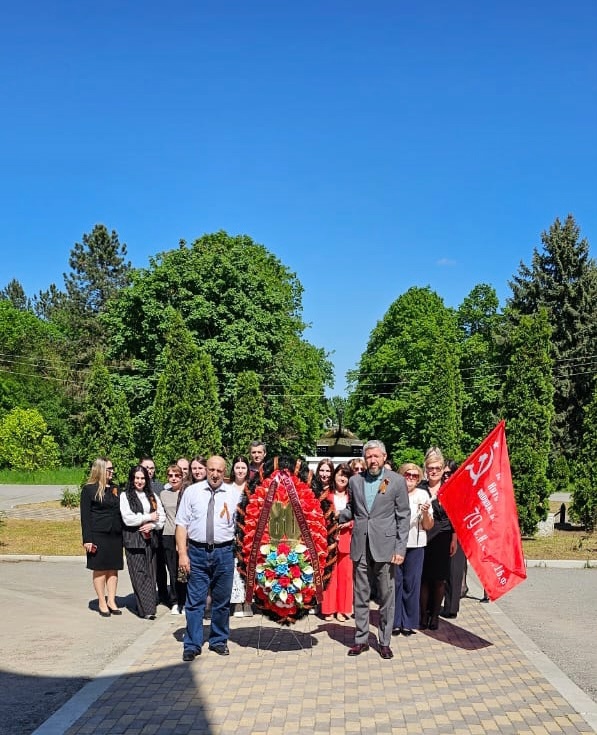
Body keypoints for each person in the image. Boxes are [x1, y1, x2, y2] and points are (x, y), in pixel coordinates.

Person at [339, 440, 410, 659]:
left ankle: (384, 642)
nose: (372, 460)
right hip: (360, 546)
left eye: (376, 456)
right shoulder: (355, 481)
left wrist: (400, 548)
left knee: (386, 597)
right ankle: (361, 640)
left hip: (386, 548)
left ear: (384, 457)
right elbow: (352, 509)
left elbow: (403, 516)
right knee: (360, 596)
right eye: (369, 456)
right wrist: (331, 515)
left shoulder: (396, 481)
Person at [176, 455, 241, 661]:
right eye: (211, 470)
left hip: (224, 552)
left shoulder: (234, 494)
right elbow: (181, 524)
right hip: (197, 552)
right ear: (206, 470)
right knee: (195, 601)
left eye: (219, 471)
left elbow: (241, 525)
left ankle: (218, 640)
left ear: (224, 472)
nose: (214, 474)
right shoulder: (192, 492)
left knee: (222, 600)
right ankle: (192, 644)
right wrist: (182, 554)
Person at [392, 463, 434, 636]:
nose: (410, 478)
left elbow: (428, 525)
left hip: (416, 545)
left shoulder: (423, 494)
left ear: (418, 479)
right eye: (407, 474)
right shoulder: (392, 491)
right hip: (395, 544)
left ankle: (408, 622)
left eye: (415, 476)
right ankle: (395, 621)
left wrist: (425, 513)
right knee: (395, 583)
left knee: (412, 584)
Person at [120, 465, 166, 619]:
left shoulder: (152, 496)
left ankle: (149, 605)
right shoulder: (125, 496)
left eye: (142, 478)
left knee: (151, 573)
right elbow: (128, 518)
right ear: (132, 479)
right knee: (140, 574)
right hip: (134, 541)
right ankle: (147, 610)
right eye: (137, 478)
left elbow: (161, 516)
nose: (139, 481)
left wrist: (153, 525)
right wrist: (148, 517)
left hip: (150, 540)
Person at [419, 448, 457, 631]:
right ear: (426, 469)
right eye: (430, 468)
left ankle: (435, 616)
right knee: (424, 578)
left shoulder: (449, 488)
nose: (433, 471)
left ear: (442, 469)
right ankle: (423, 615)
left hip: (443, 536)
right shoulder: (420, 488)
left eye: (437, 468)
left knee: (439, 579)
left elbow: (455, 516)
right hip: (423, 536)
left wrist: (454, 539)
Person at [80, 458, 123, 617]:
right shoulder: (89, 489)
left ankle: (111, 600)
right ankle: (102, 601)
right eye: (109, 469)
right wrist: (87, 539)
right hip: (98, 534)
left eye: (112, 468)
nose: (112, 471)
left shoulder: (116, 488)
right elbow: (85, 517)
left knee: (113, 568)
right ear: (100, 470)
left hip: (115, 534)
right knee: (100, 569)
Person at [321, 463, 354, 622]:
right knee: (330, 575)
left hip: (347, 540)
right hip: (329, 540)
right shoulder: (326, 495)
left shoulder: (352, 496)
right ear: (334, 476)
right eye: (340, 474)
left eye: (346, 476)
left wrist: (349, 524)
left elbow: (360, 516)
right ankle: (328, 609)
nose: (343, 478)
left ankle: (342, 609)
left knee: (345, 576)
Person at [160, 464, 189, 615]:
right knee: (172, 570)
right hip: (168, 534)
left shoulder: (187, 492)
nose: (174, 478)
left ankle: (185, 601)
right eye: (170, 475)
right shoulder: (163, 494)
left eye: (177, 475)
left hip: (183, 535)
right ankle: (175, 601)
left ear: (182, 477)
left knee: (183, 571)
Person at [140, 455, 168, 607]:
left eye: (152, 468)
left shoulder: (159, 487)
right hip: (141, 532)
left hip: (159, 532)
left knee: (160, 566)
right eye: (146, 468)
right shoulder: (136, 486)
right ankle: (148, 596)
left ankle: (163, 594)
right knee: (146, 566)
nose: (149, 471)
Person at [441, 459, 467, 619]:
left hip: (457, 535)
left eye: (449, 473)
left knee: (454, 573)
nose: (446, 476)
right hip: (442, 535)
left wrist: (454, 537)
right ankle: (446, 605)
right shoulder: (441, 488)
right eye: (444, 473)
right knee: (444, 573)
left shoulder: (459, 490)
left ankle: (451, 608)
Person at [228, 456, 252, 617]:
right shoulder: (227, 488)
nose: (240, 470)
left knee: (249, 566)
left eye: (243, 467)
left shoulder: (253, 487)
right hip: (232, 532)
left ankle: (248, 602)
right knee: (235, 568)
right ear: (233, 469)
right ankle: (237, 602)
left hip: (249, 532)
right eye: (238, 467)